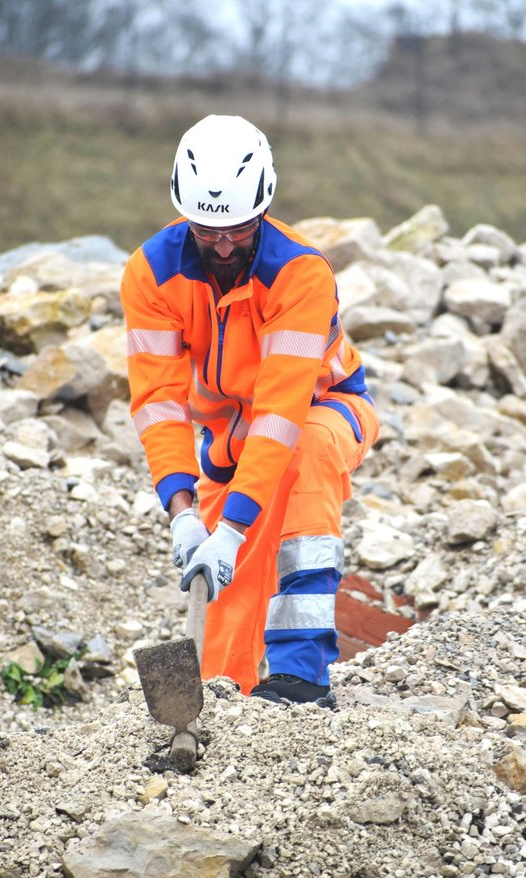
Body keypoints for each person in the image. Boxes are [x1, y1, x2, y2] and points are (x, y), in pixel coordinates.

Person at [120, 114, 379, 707]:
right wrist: (182, 512)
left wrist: (234, 527)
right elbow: (158, 402)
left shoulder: (299, 274)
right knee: (222, 584)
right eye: (207, 231)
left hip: (325, 410)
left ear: (263, 207)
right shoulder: (151, 272)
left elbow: (282, 411)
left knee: (305, 452)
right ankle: (220, 699)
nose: (223, 245)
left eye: (237, 229)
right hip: (229, 438)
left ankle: (300, 675)